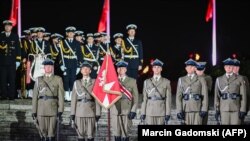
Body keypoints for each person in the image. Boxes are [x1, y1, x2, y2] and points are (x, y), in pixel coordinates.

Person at [32, 58, 64, 141]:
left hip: (53, 109)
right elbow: (35, 97)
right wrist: (34, 111)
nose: (48, 68)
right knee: (42, 133)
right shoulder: (39, 80)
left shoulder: (58, 79)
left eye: (50, 66)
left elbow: (61, 96)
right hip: (41, 109)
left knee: (51, 133)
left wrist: (60, 110)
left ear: (52, 68)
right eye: (46, 66)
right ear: (44, 68)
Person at [70, 61, 101, 141]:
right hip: (79, 113)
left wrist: (98, 113)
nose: (85, 70)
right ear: (81, 71)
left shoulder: (95, 82)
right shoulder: (77, 83)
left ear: (90, 71)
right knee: (80, 136)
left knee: (91, 136)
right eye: (83, 69)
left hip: (91, 112)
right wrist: (72, 114)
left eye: (87, 69)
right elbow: (73, 99)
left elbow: (97, 99)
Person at [110, 60, 139, 141]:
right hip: (115, 110)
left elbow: (135, 98)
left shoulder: (132, 81)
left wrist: (133, 110)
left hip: (127, 110)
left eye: (122, 68)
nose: (120, 70)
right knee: (116, 134)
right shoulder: (112, 81)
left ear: (125, 70)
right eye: (119, 68)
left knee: (125, 133)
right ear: (117, 69)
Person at [214, 58, 247, 125]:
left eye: (231, 66)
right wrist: (217, 110)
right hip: (223, 109)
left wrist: (243, 109)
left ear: (233, 67)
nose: (229, 67)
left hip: (236, 108)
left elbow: (243, 95)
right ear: (224, 67)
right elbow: (216, 96)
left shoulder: (240, 79)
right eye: (227, 66)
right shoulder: (219, 79)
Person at [176, 59, 208, 125]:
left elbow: (204, 95)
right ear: (185, 68)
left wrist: (204, 109)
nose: (189, 68)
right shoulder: (181, 80)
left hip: (197, 109)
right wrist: (179, 110)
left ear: (195, 68)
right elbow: (178, 97)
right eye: (188, 67)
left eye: (191, 67)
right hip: (185, 109)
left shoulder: (201, 79)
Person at [140, 59, 172, 125]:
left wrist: (168, 113)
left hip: (161, 111)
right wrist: (143, 112)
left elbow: (168, 99)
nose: (156, 69)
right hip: (149, 111)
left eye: (158, 67)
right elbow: (144, 99)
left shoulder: (166, 82)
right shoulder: (147, 82)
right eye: (155, 67)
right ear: (152, 69)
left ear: (161, 69)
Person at [59, 26, 83, 101]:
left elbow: (79, 55)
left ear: (74, 34)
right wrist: (61, 64)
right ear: (67, 34)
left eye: (72, 33)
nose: (71, 34)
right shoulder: (62, 42)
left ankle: (72, 94)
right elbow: (60, 54)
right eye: (69, 33)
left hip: (74, 63)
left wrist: (79, 66)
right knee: (66, 79)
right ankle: (66, 94)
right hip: (65, 62)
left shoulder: (77, 43)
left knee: (73, 79)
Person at [0, 20, 21, 100]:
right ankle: (4, 95)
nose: (7, 27)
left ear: (11, 27)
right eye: (6, 26)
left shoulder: (15, 36)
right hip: (2, 62)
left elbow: (18, 49)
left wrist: (18, 60)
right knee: (3, 79)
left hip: (12, 62)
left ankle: (12, 95)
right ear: (4, 27)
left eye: (9, 26)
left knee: (12, 79)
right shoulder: (1, 36)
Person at [232, 58, 250, 123]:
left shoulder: (244, 78)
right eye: (234, 66)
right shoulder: (225, 78)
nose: (235, 68)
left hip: (240, 109)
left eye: (237, 66)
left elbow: (247, 95)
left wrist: (245, 109)